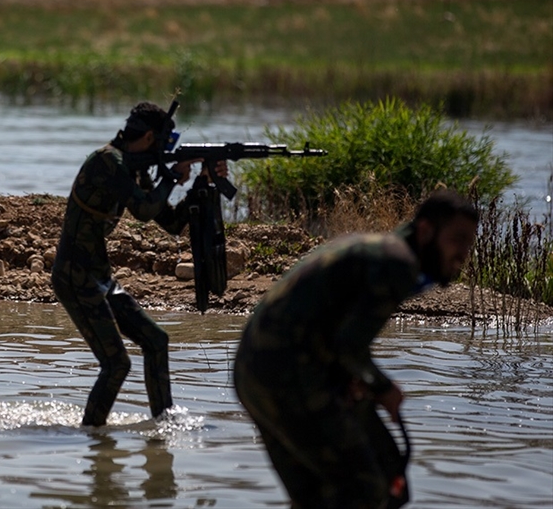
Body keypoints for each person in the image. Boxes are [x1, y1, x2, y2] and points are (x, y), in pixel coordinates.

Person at [233, 189, 479, 508]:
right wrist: (384, 388)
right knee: (368, 490)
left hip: (251, 374)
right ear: (426, 231)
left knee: (321, 495)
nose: (463, 253)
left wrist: (358, 383)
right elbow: (349, 347)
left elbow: (331, 334)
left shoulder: (381, 250)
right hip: (287, 376)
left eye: (469, 243)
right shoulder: (398, 263)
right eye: (457, 239)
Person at [51, 101, 227, 427]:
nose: (164, 150)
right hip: (74, 276)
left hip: (98, 277)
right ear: (148, 138)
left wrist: (201, 182)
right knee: (116, 363)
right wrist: (173, 178)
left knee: (156, 341)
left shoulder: (133, 169)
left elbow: (171, 222)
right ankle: (92, 437)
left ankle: (164, 424)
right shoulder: (108, 162)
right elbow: (144, 210)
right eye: (162, 143)